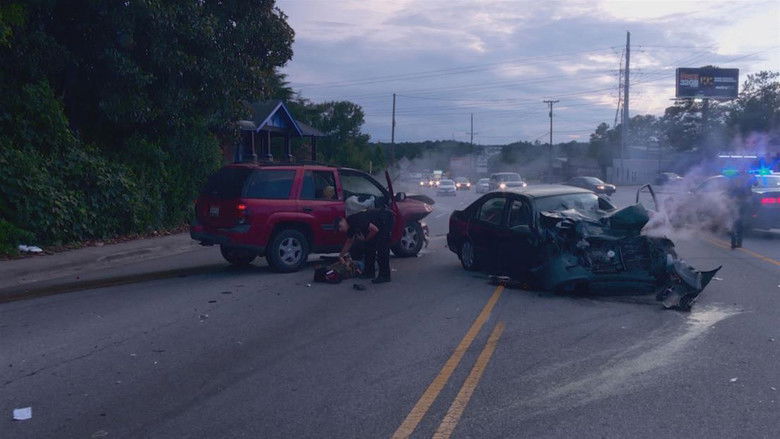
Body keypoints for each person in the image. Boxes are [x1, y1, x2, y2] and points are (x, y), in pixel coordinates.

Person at [337, 208, 395, 284]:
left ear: (343, 220)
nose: (340, 229)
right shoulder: (350, 227)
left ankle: (385, 275)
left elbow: (375, 230)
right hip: (377, 223)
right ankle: (369, 272)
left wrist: (365, 239)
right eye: (339, 229)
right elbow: (349, 242)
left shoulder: (355, 220)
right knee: (368, 247)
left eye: (340, 226)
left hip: (385, 219)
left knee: (382, 248)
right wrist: (341, 256)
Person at [726, 173, 753, 249]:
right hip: (739, 204)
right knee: (738, 224)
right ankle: (736, 242)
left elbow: (729, 193)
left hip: (738, 204)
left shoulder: (736, 180)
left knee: (736, 223)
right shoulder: (746, 180)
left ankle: (735, 243)